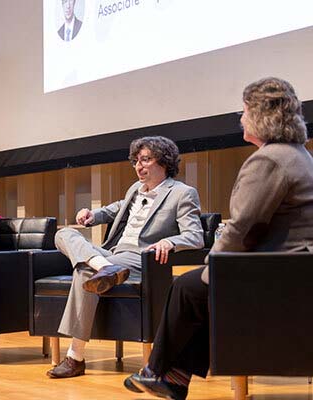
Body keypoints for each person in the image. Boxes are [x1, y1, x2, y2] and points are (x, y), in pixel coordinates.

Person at [126, 77, 313, 400]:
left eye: (243, 112)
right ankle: (173, 375)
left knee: (190, 286)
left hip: (285, 272)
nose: (239, 119)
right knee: (200, 286)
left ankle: (158, 371)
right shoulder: (298, 154)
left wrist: (214, 266)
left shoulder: (269, 159)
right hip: (295, 267)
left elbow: (243, 227)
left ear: (260, 116)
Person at [47, 136, 204, 378]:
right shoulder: (134, 190)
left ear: (164, 161)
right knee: (64, 233)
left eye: (145, 160)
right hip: (114, 255)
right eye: (135, 161)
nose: (139, 167)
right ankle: (103, 267)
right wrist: (92, 214)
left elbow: (195, 236)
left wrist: (170, 242)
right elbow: (114, 209)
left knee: (84, 271)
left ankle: (75, 357)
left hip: (141, 258)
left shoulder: (182, 193)